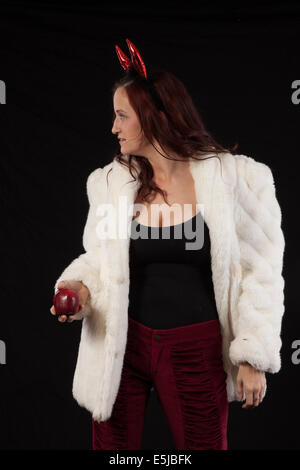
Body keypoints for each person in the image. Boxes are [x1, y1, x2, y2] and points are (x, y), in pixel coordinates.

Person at [50, 39, 285, 450]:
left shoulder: (237, 180)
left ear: (156, 116)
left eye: (122, 116)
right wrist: (80, 289)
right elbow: (98, 259)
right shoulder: (109, 183)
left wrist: (252, 352)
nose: (113, 128)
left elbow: (261, 269)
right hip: (122, 345)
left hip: (196, 348)